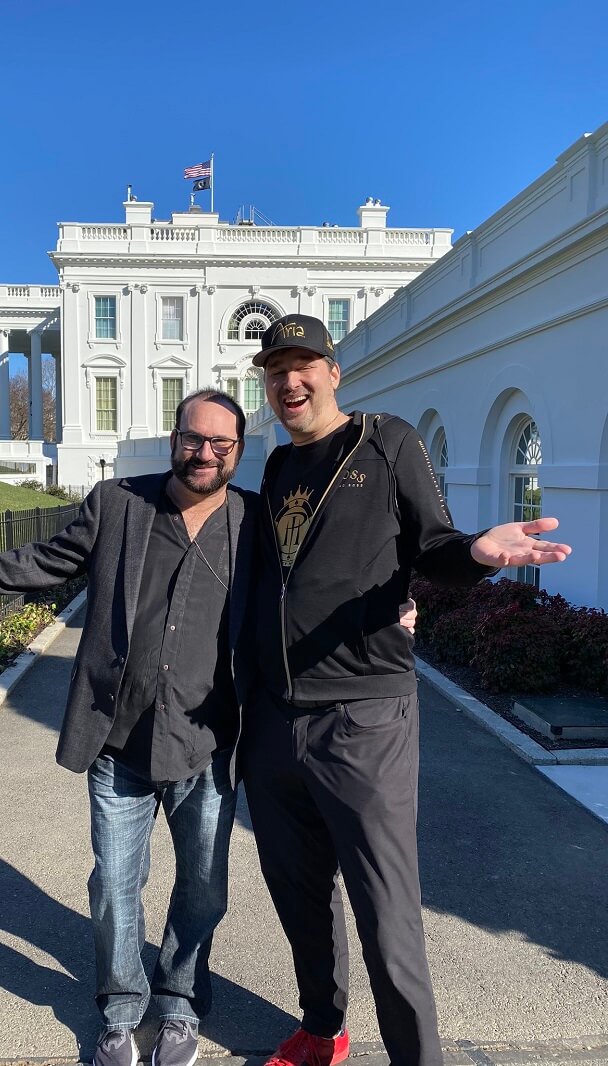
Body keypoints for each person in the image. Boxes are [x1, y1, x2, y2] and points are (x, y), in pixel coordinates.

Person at [0, 389, 258, 1066]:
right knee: (114, 885)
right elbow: (37, 564)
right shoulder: (119, 504)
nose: (203, 453)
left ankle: (179, 1002)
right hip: (119, 741)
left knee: (203, 886)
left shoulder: (254, 525)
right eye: (193, 439)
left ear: (237, 451)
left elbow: (315, 593)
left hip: (208, 745)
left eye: (219, 444)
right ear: (175, 437)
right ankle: (119, 1010)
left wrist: (395, 609)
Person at [241, 314, 572, 1066]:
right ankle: (322, 1027)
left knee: (388, 917)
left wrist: (479, 554)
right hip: (275, 720)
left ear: (332, 372)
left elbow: (434, 544)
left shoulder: (387, 442)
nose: (288, 381)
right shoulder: (276, 467)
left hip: (363, 720)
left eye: (302, 365)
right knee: (300, 895)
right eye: (275, 370)